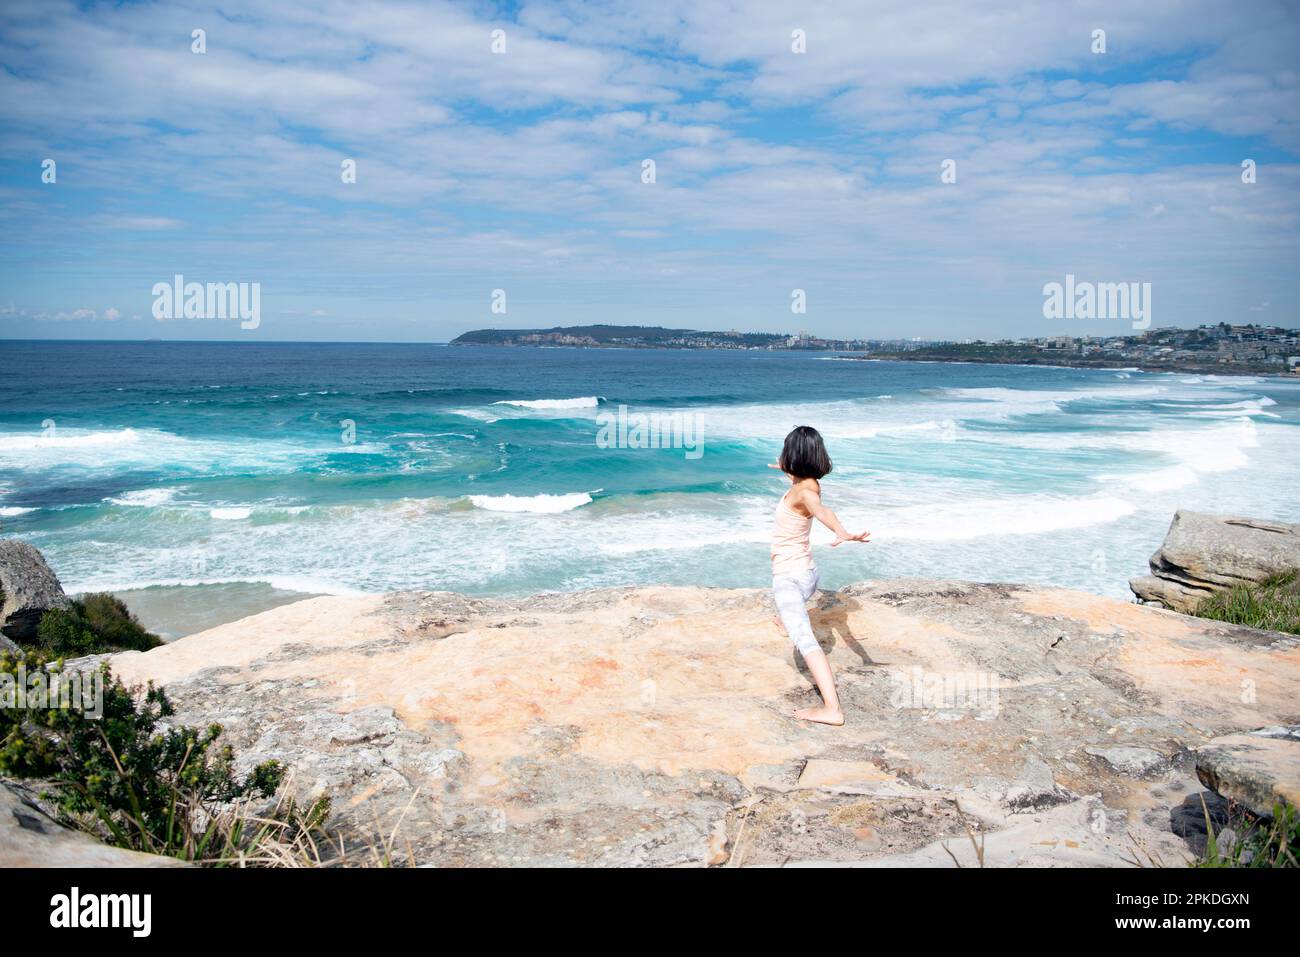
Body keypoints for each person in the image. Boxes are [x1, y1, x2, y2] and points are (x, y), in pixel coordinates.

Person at [769, 426, 870, 725]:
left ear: (793, 456)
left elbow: (821, 510)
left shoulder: (806, 492)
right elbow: (804, 490)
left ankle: (832, 709)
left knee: (805, 640)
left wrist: (842, 532)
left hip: (791, 578)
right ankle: (784, 617)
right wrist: (786, 467)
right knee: (788, 609)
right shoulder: (806, 482)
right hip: (808, 575)